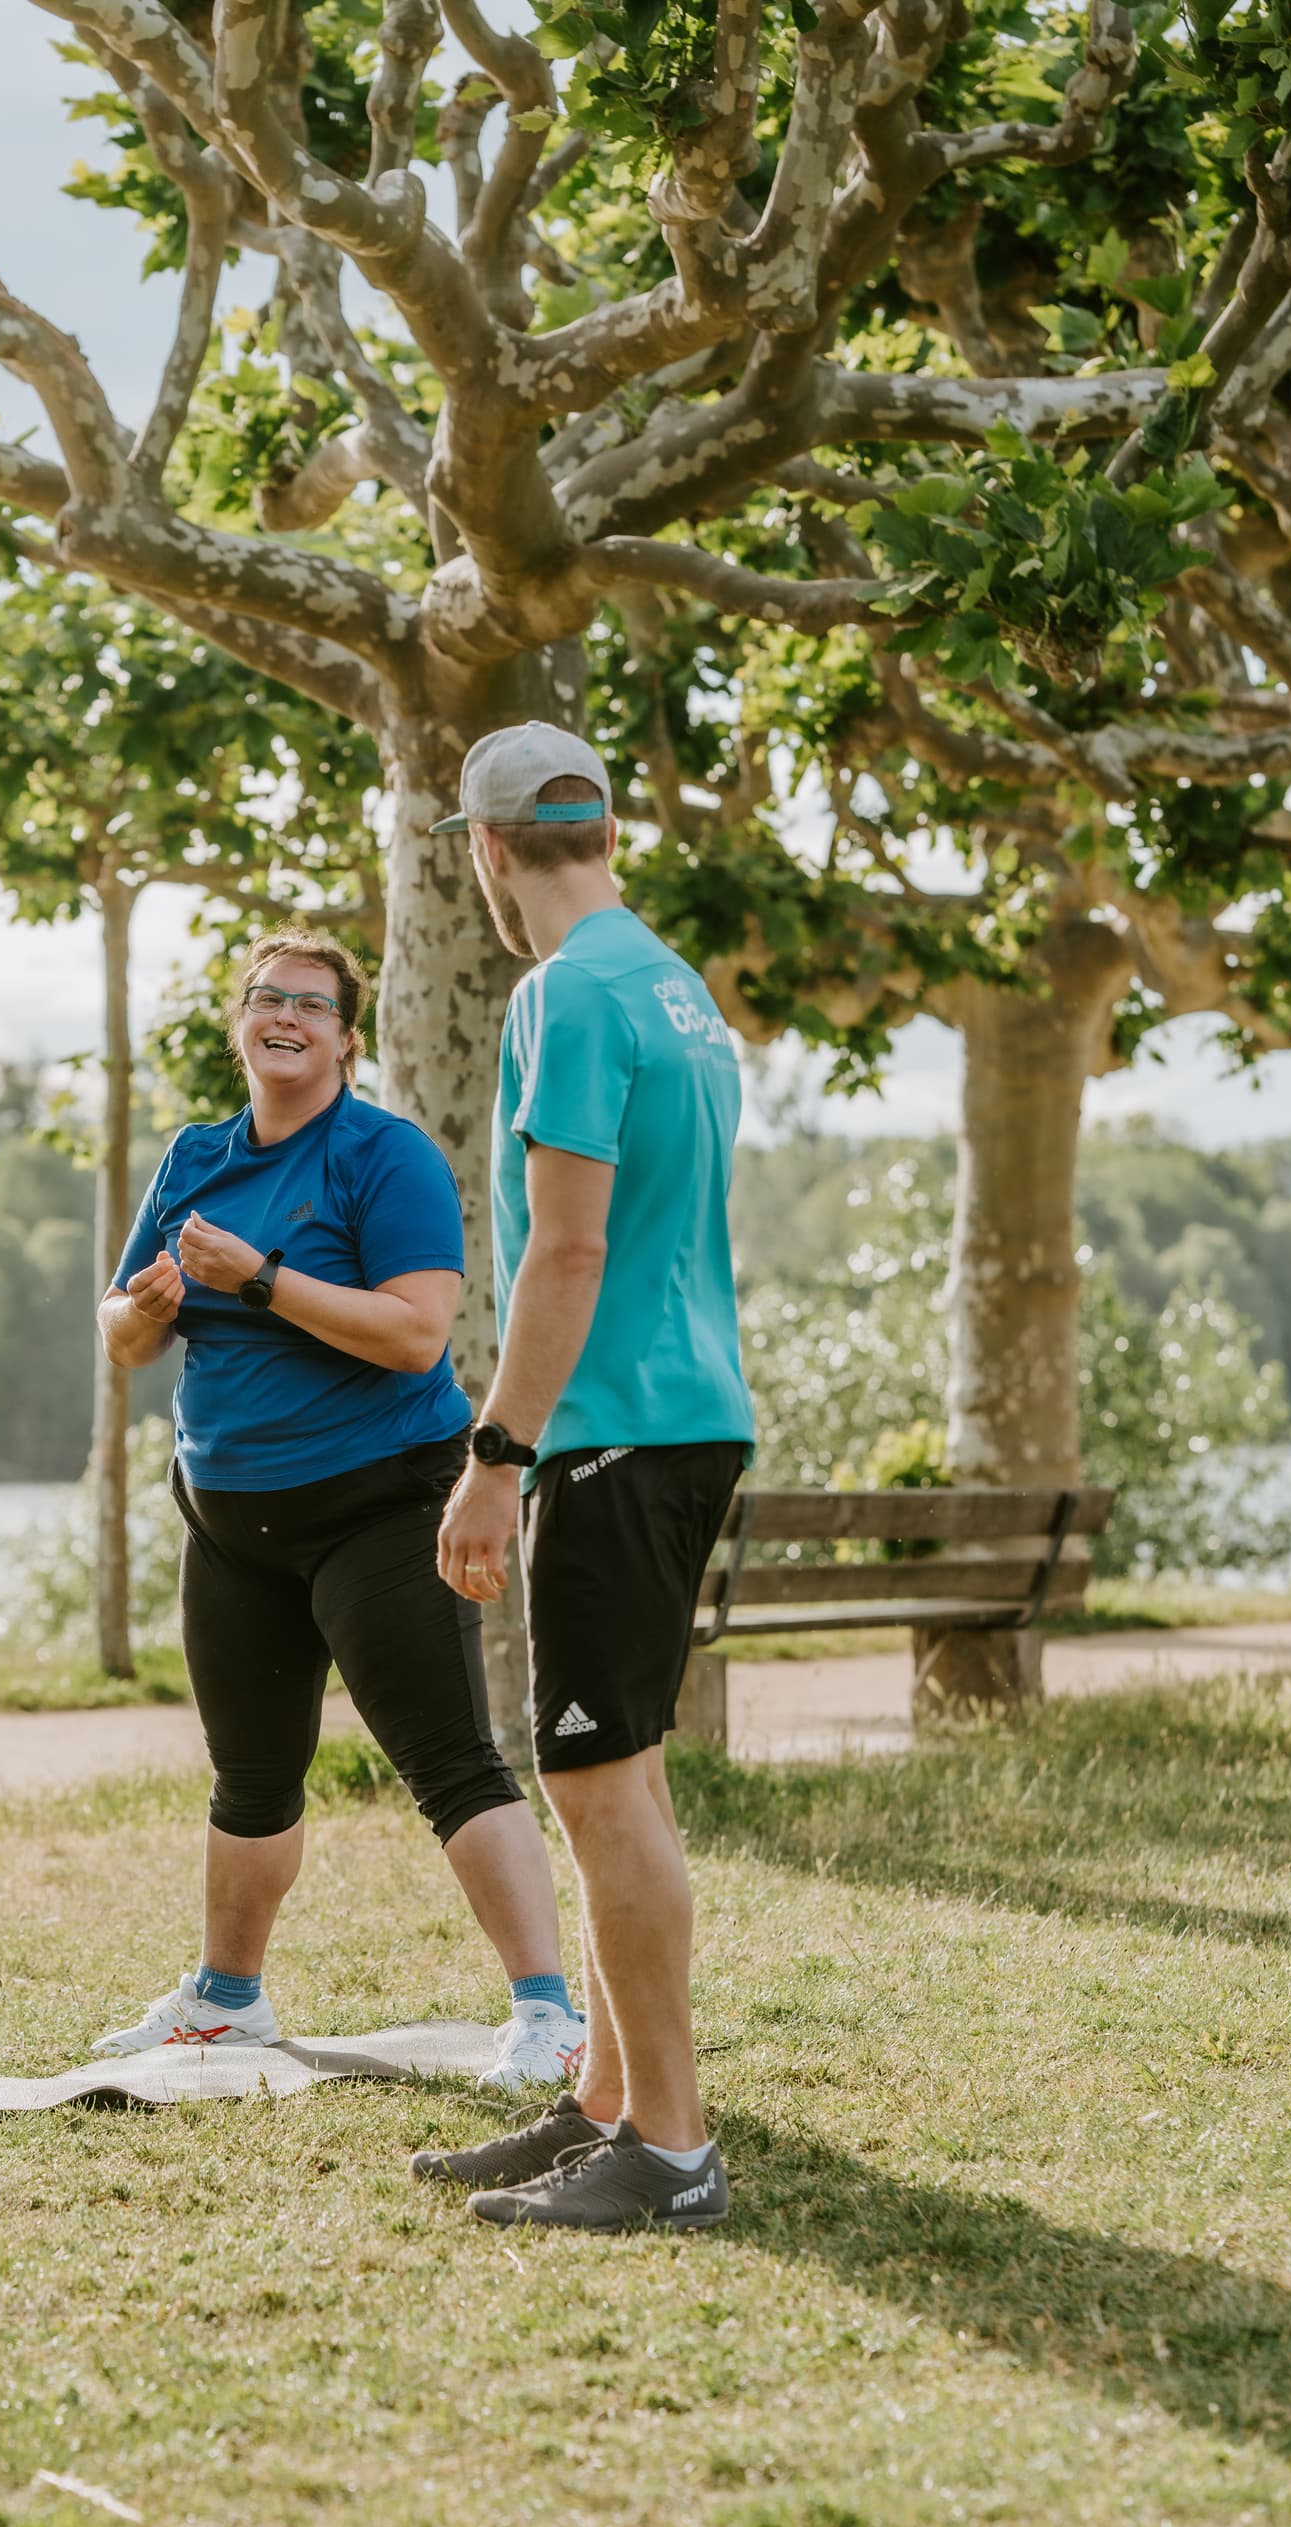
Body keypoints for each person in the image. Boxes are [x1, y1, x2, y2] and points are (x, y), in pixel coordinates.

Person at [90, 926, 583, 2091]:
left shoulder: (384, 1156)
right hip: (228, 1523)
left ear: (345, 1040)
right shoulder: (194, 1159)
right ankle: (226, 1999)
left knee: (450, 1760)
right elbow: (118, 1336)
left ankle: (549, 2013)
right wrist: (155, 1305)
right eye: (268, 998)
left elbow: (417, 1333)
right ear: (240, 1024)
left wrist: (257, 1277)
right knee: (249, 1775)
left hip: (378, 1509)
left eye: (312, 1004)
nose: (287, 1016)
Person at [417, 724, 754, 2231]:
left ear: (488, 852)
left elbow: (569, 1245)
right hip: (690, 1413)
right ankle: (610, 2102)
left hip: (615, 1429)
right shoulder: (676, 991)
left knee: (593, 1781)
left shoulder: (563, 994)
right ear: (602, 832)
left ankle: (669, 2151)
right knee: (620, 1769)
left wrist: (496, 1456)